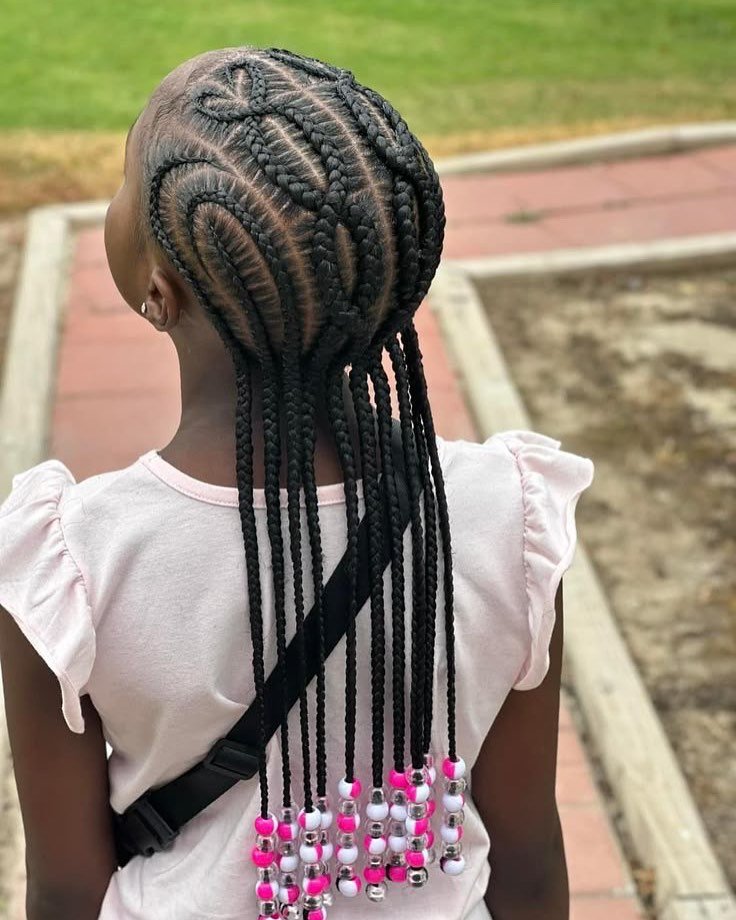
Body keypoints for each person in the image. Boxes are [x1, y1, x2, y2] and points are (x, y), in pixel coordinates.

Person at [0, 47, 594, 920]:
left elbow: (65, 888)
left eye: (126, 177)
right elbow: (530, 856)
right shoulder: (507, 518)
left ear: (159, 291)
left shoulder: (73, 565)